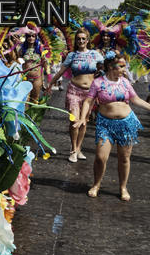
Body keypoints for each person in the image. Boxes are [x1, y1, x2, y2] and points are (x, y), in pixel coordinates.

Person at [81, 52, 150, 201]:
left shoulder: (125, 82)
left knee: (124, 158)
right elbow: (88, 101)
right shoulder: (98, 82)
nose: (125, 69)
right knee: (100, 157)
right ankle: (96, 184)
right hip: (105, 124)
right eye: (122, 66)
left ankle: (123, 187)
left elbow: (135, 99)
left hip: (126, 124)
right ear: (111, 67)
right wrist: (82, 118)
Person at [47, 28, 103, 163]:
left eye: (83, 38)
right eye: (78, 39)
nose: (81, 41)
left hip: (89, 94)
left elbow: (105, 68)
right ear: (76, 41)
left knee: (83, 122)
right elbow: (61, 71)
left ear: (88, 40)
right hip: (74, 91)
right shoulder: (72, 55)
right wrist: (50, 84)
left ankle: (78, 148)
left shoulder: (95, 55)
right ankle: (72, 149)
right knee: (74, 121)